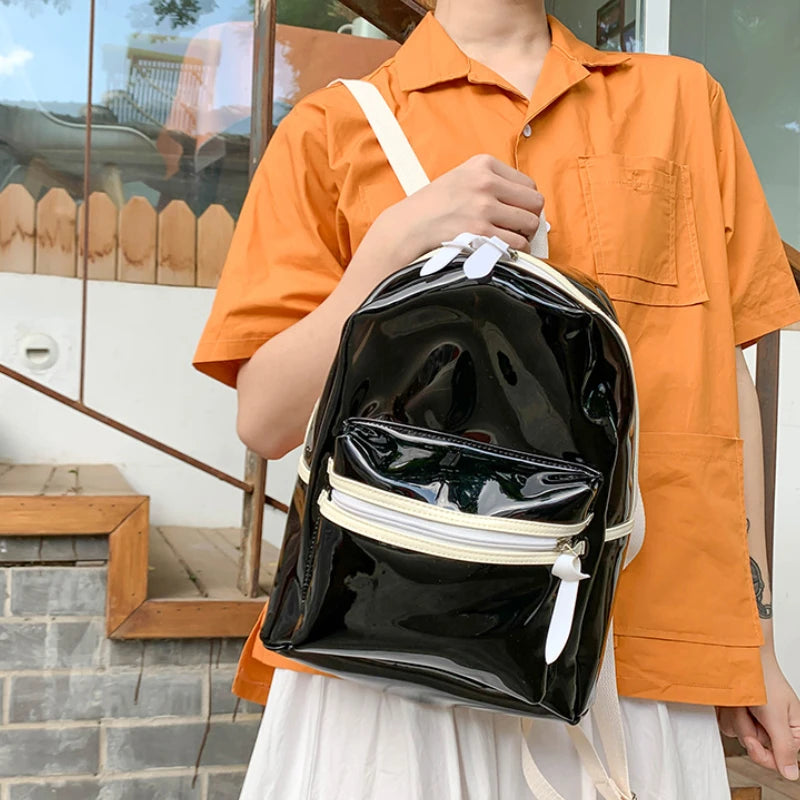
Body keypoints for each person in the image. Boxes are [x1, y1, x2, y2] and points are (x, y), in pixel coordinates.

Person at [193, 1, 800, 797]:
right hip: (392, 651)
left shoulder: (683, 102)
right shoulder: (331, 129)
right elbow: (264, 418)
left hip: (636, 649)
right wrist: (388, 252)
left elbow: (722, 384)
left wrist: (755, 639)